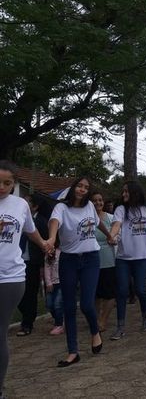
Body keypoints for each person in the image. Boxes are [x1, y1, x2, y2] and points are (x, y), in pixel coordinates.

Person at [47, 176, 112, 367]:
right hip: (69, 260)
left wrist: (109, 235)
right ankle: (73, 352)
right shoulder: (61, 207)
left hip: (91, 258)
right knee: (68, 307)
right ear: (73, 187)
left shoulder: (90, 207)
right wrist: (51, 239)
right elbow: (54, 222)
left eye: (86, 187)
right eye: (80, 186)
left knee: (86, 304)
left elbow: (98, 223)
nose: (82, 189)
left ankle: (95, 332)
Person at [0, 161, 49, 395]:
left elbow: (30, 231)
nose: (1, 187)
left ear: (14, 184)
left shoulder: (20, 205)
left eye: (7, 183)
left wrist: (45, 244)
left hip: (11, 278)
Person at [109, 181, 146, 340]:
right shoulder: (121, 209)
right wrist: (112, 235)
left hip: (142, 257)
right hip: (123, 258)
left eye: (126, 192)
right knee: (121, 291)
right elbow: (116, 224)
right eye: (123, 192)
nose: (123, 195)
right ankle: (120, 326)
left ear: (135, 193)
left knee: (140, 289)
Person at [16, 193, 49, 336]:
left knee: (30, 293)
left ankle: (27, 323)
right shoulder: (18, 219)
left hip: (33, 263)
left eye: (28, 202)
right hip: (18, 261)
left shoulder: (41, 222)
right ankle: (29, 315)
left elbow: (45, 243)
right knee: (16, 294)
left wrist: (43, 265)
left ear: (35, 207)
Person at [91, 192, 116, 333]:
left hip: (108, 260)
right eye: (94, 201)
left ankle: (103, 320)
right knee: (94, 295)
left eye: (100, 200)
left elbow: (116, 236)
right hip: (91, 261)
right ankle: (94, 319)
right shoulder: (87, 219)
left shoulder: (111, 218)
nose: (98, 203)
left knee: (109, 294)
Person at [44, 248, 63, 335]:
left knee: (57, 304)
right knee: (49, 304)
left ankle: (59, 324)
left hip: (62, 283)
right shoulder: (50, 253)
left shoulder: (64, 252)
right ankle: (59, 319)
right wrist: (48, 283)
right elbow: (47, 268)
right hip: (52, 283)